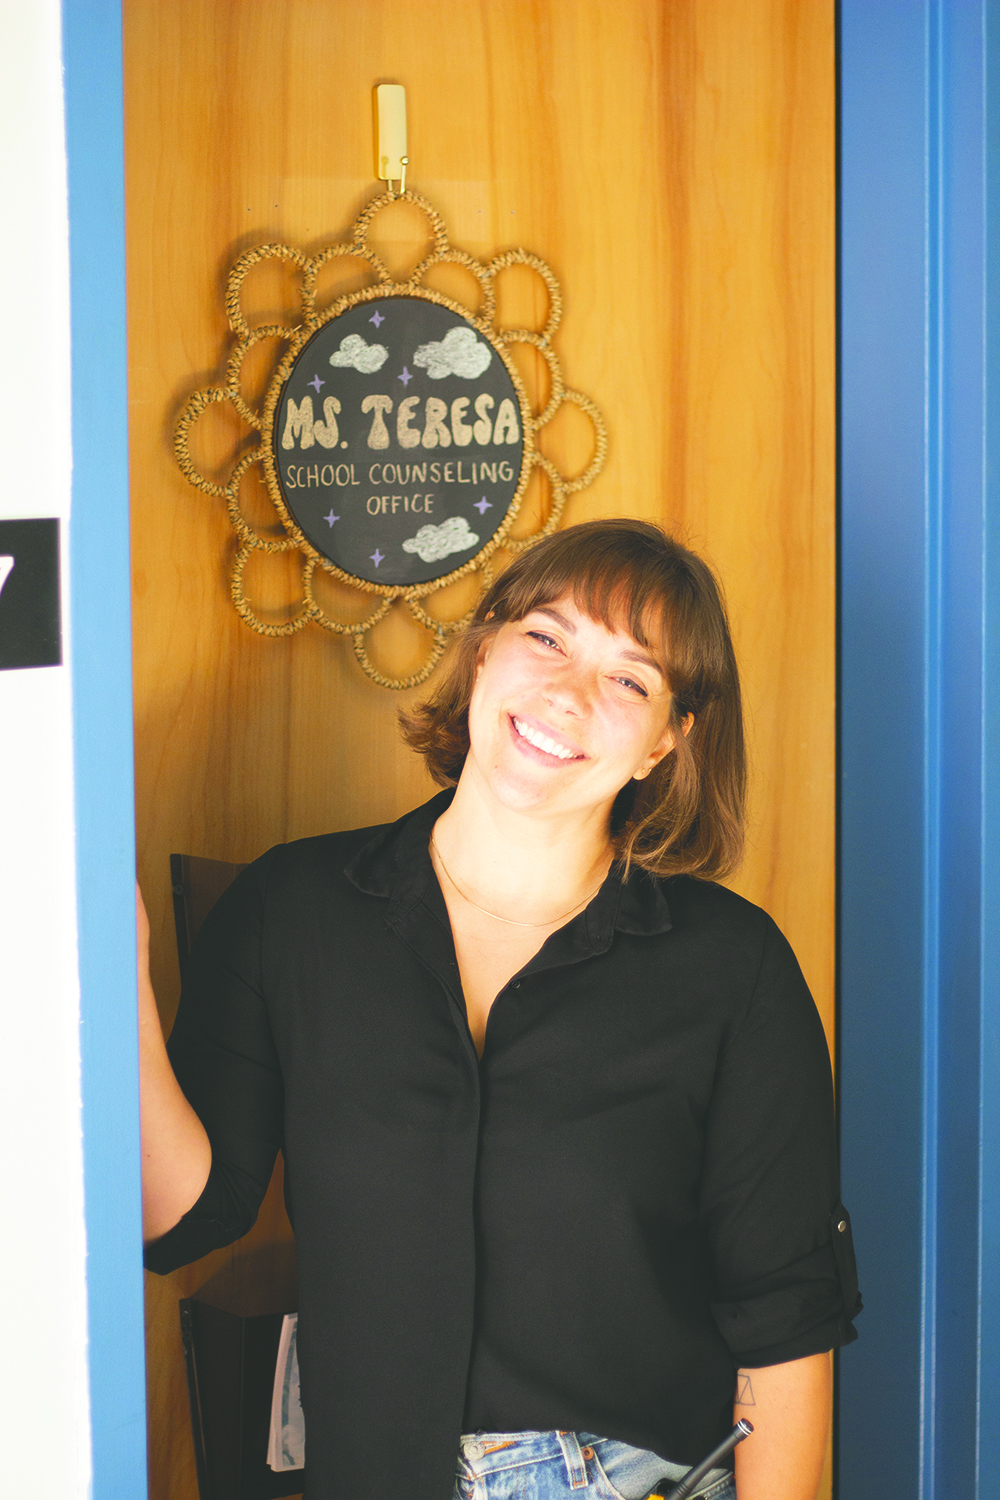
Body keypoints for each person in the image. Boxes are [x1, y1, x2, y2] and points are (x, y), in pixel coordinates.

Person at [139, 519, 861, 1500]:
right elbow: (178, 1221)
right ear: (484, 647)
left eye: (630, 681)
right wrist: (122, 980)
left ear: (665, 744)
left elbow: (784, 1324)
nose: (567, 694)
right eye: (547, 638)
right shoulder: (291, 911)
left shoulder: (732, 970)